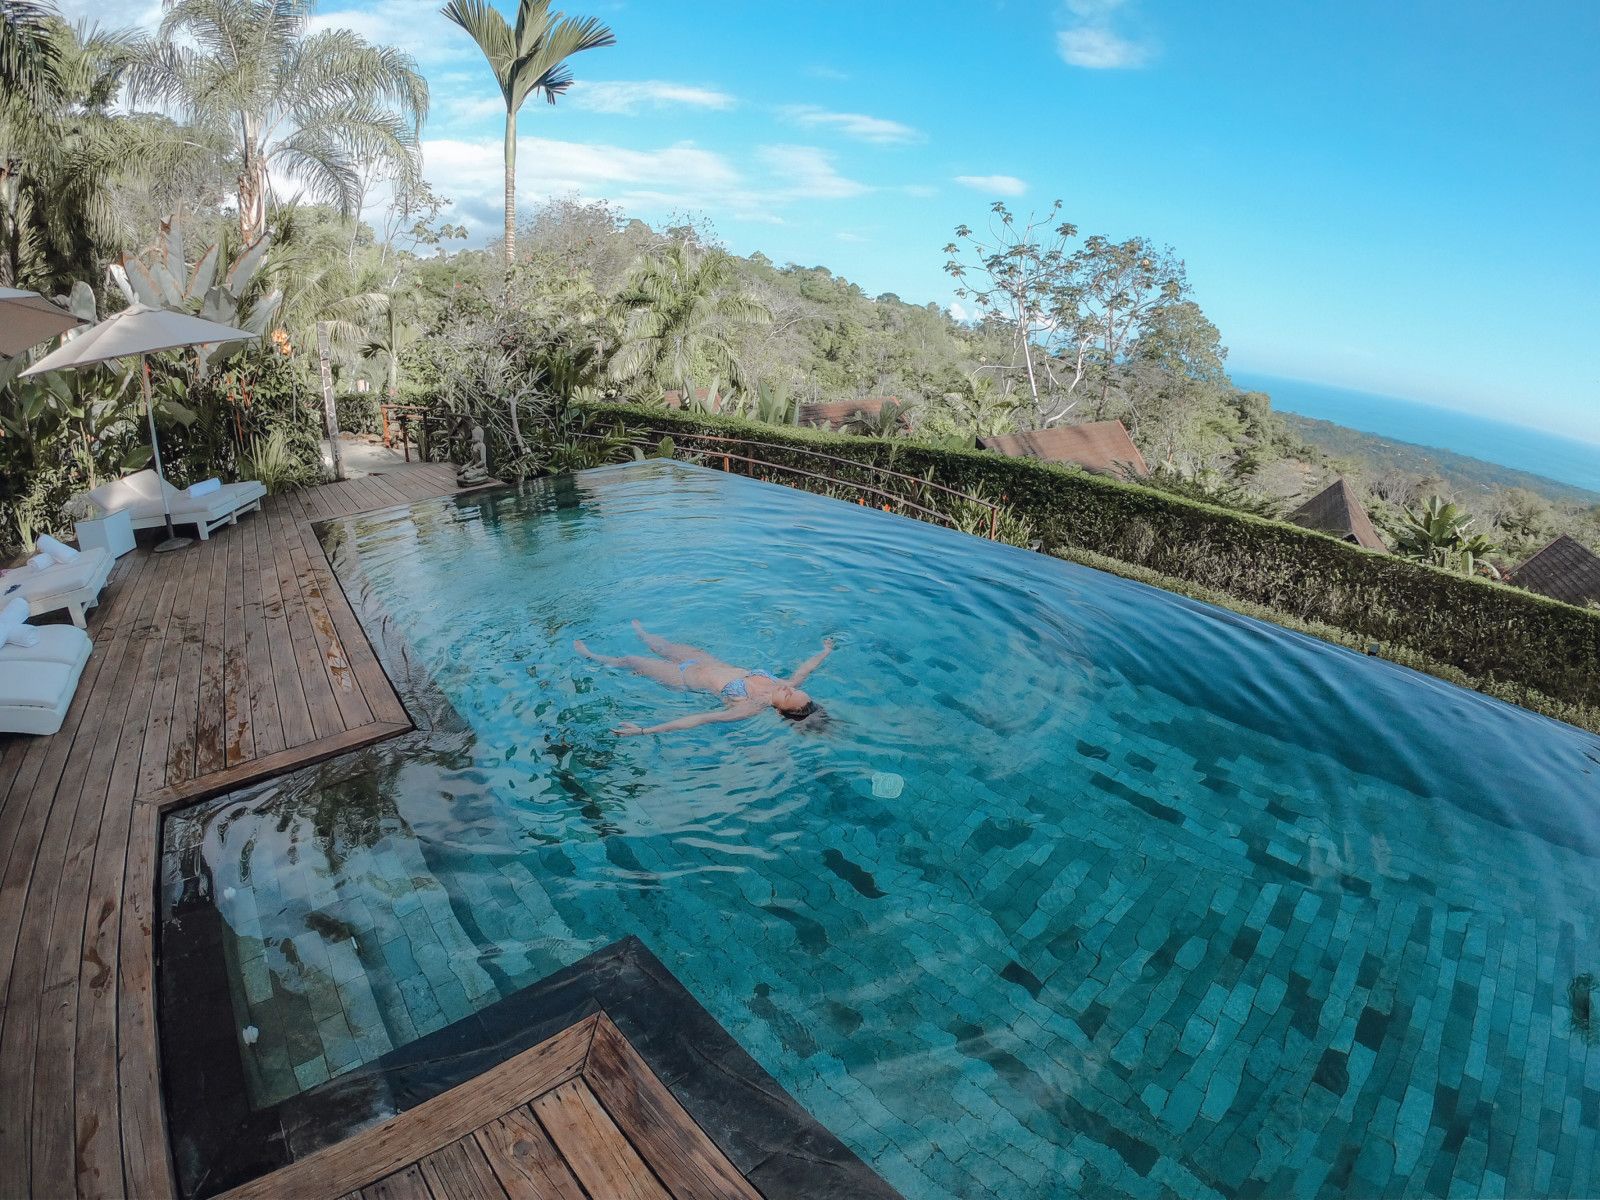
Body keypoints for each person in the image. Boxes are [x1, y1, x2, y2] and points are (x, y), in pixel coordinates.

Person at [575, 620, 833, 736]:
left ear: (779, 712)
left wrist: (644, 730)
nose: (788, 687)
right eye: (792, 688)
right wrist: (825, 651)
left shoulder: (748, 707)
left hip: (682, 678)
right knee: (661, 646)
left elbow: (700, 719)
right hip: (704, 660)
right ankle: (642, 633)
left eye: (788, 694)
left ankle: (592, 657)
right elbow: (804, 670)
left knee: (631, 661)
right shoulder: (783, 685)